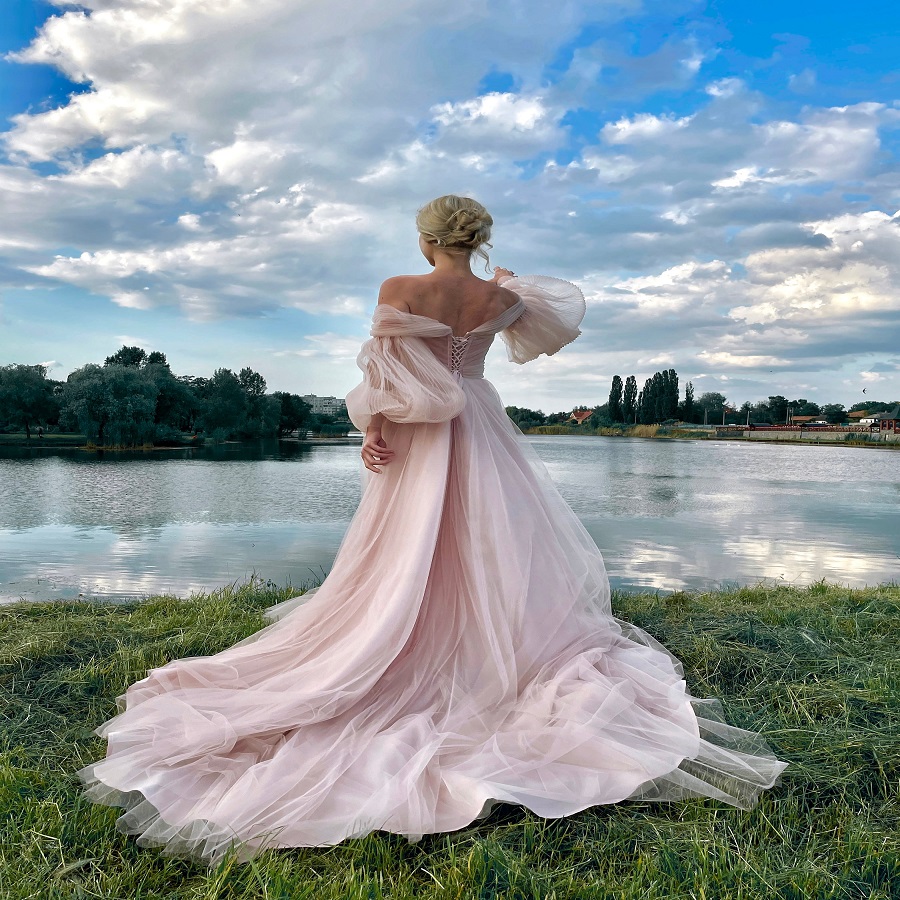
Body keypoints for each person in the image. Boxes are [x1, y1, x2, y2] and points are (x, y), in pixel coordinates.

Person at [78, 195, 788, 866]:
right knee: (492, 542)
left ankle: (400, 633)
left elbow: (387, 368)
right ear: (478, 241)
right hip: (479, 424)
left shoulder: (401, 285)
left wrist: (374, 430)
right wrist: (502, 281)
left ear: (426, 239)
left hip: (422, 432)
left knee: (404, 544)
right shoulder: (503, 300)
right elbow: (542, 323)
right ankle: (488, 647)